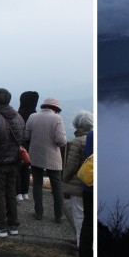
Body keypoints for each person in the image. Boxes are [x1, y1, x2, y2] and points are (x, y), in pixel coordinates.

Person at [0, 88, 24, 238]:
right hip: (14, 161)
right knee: (11, 193)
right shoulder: (18, 117)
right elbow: (22, 137)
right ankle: (13, 225)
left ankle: (0, 226)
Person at [25, 97, 67, 223]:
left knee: (37, 184)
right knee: (57, 186)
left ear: (44, 106)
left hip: (35, 155)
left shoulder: (32, 116)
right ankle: (58, 216)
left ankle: (38, 213)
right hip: (52, 158)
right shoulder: (57, 118)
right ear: (55, 108)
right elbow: (61, 141)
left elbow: (26, 136)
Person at [62, 111, 93, 246]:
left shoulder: (77, 141)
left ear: (77, 125)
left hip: (77, 185)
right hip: (92, 185)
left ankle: (82, 245)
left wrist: (64, 179)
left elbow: (71, 166)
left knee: (79, 216)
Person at [16, 91, 39, 201]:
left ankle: (18, 193)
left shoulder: (18, 114)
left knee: (17, 169)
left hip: (18, 145)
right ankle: (25, 192)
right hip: (32, 146)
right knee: (26, 168)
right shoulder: (36, 116)